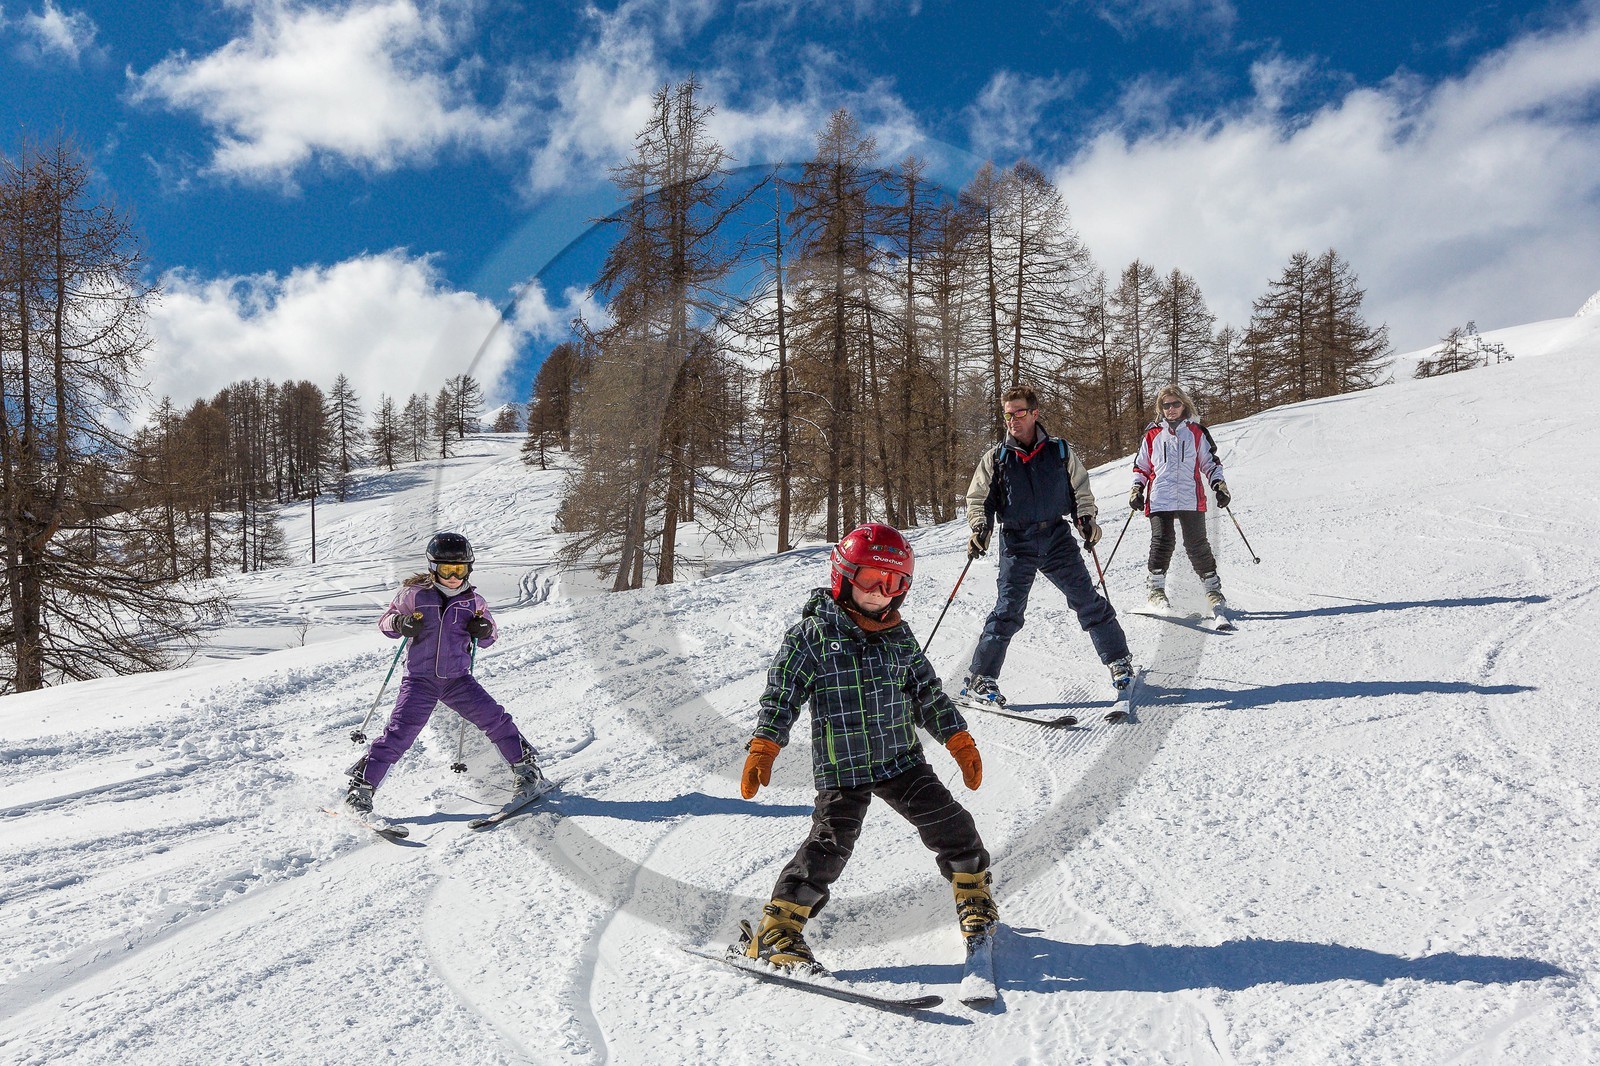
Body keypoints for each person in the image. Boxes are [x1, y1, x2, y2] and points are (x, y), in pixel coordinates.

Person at [736, 522, 996, 973]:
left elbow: (928, 693)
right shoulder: (812, 636)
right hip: (843, 767)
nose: (881, 593)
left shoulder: (899, 636)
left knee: (952, 824)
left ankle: (974, 897)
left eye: (894, 582)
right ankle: (777, 929)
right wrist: (765, 745)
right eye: (871, 579)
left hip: (901, 760)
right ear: (843, 576)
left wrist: (958, 738)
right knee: (829, 845)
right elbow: (782, 694)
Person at [343, 532, 544, 814]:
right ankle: (361, 789)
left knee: (495, 719)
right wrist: (400, 622)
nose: (452, 577)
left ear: (468, 569)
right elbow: (385, 622)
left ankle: (527, 772)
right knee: (400, 732)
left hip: (458, 680)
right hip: (419, 680)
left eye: (459, 570)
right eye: (446, 570)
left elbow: (490, 636)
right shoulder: (414, 595)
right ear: (433, 568)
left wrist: (483, 629)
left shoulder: (474, 602)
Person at [962, 385, 1133, 706]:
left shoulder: (1060, 451)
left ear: (1034, 413)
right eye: (1007, 414)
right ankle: (981, 677)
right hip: (1016, 540)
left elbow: (1081, 489)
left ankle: (1119, 660)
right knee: (1008, 609)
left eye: (1019, 412)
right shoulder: (996, 458)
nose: (1012, 419)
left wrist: (1087, 519)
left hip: (1056, 536)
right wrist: (980, 528)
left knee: (1086, 599)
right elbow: (977, 499)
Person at [1129, 384, 1231, 612]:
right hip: (1159, 497)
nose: (1171, 409)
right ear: (1161, 408)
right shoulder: (1152, 434)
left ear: (1183, 404)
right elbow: (1142, 466)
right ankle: (1156, 590)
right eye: (1166, 405)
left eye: (1175, 404)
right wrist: (1137, 489)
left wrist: (1219, 485)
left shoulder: (1196, 432)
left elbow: (1210, 463)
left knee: (1197, 545)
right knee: (1162, 541)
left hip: (1190, 497)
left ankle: (1213, 590)